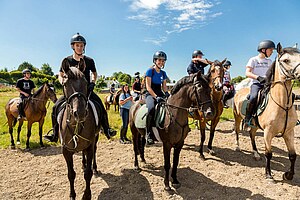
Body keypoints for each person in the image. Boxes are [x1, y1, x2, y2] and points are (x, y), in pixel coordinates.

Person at [44, 33, 116, 142]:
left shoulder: (90, 60)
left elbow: (95, 74)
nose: (80, 47)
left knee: (100, 104)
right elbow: (60, 74)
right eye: (77, 45)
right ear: (73, 46)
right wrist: (62, 81)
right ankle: (55, 133)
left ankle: (106, 129)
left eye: (82, 45)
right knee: (55, 107)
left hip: (85, 90)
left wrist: (92, 82)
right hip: (71, 91)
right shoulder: (67, 60)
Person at [244, 40, 275, 129]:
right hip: (256, 84)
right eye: (271, 50)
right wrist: (258, 77)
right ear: (263, 50)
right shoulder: (253, 60)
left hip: (267, 84)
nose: (272, 52)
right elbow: (247, 73)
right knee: (253, 97)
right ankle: (248, 118)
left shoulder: (269, 61)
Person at [145, 51, 170, 145]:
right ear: (155, 60)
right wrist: (156, 97)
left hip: (160, 92)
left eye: (163, 61)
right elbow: (148, 87)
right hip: (150, 93)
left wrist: (167, 94)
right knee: (151, 108)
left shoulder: (163, 73)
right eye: (159, 60)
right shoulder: (150, 71)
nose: (161, 62)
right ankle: (148, 133)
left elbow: (164, 87)